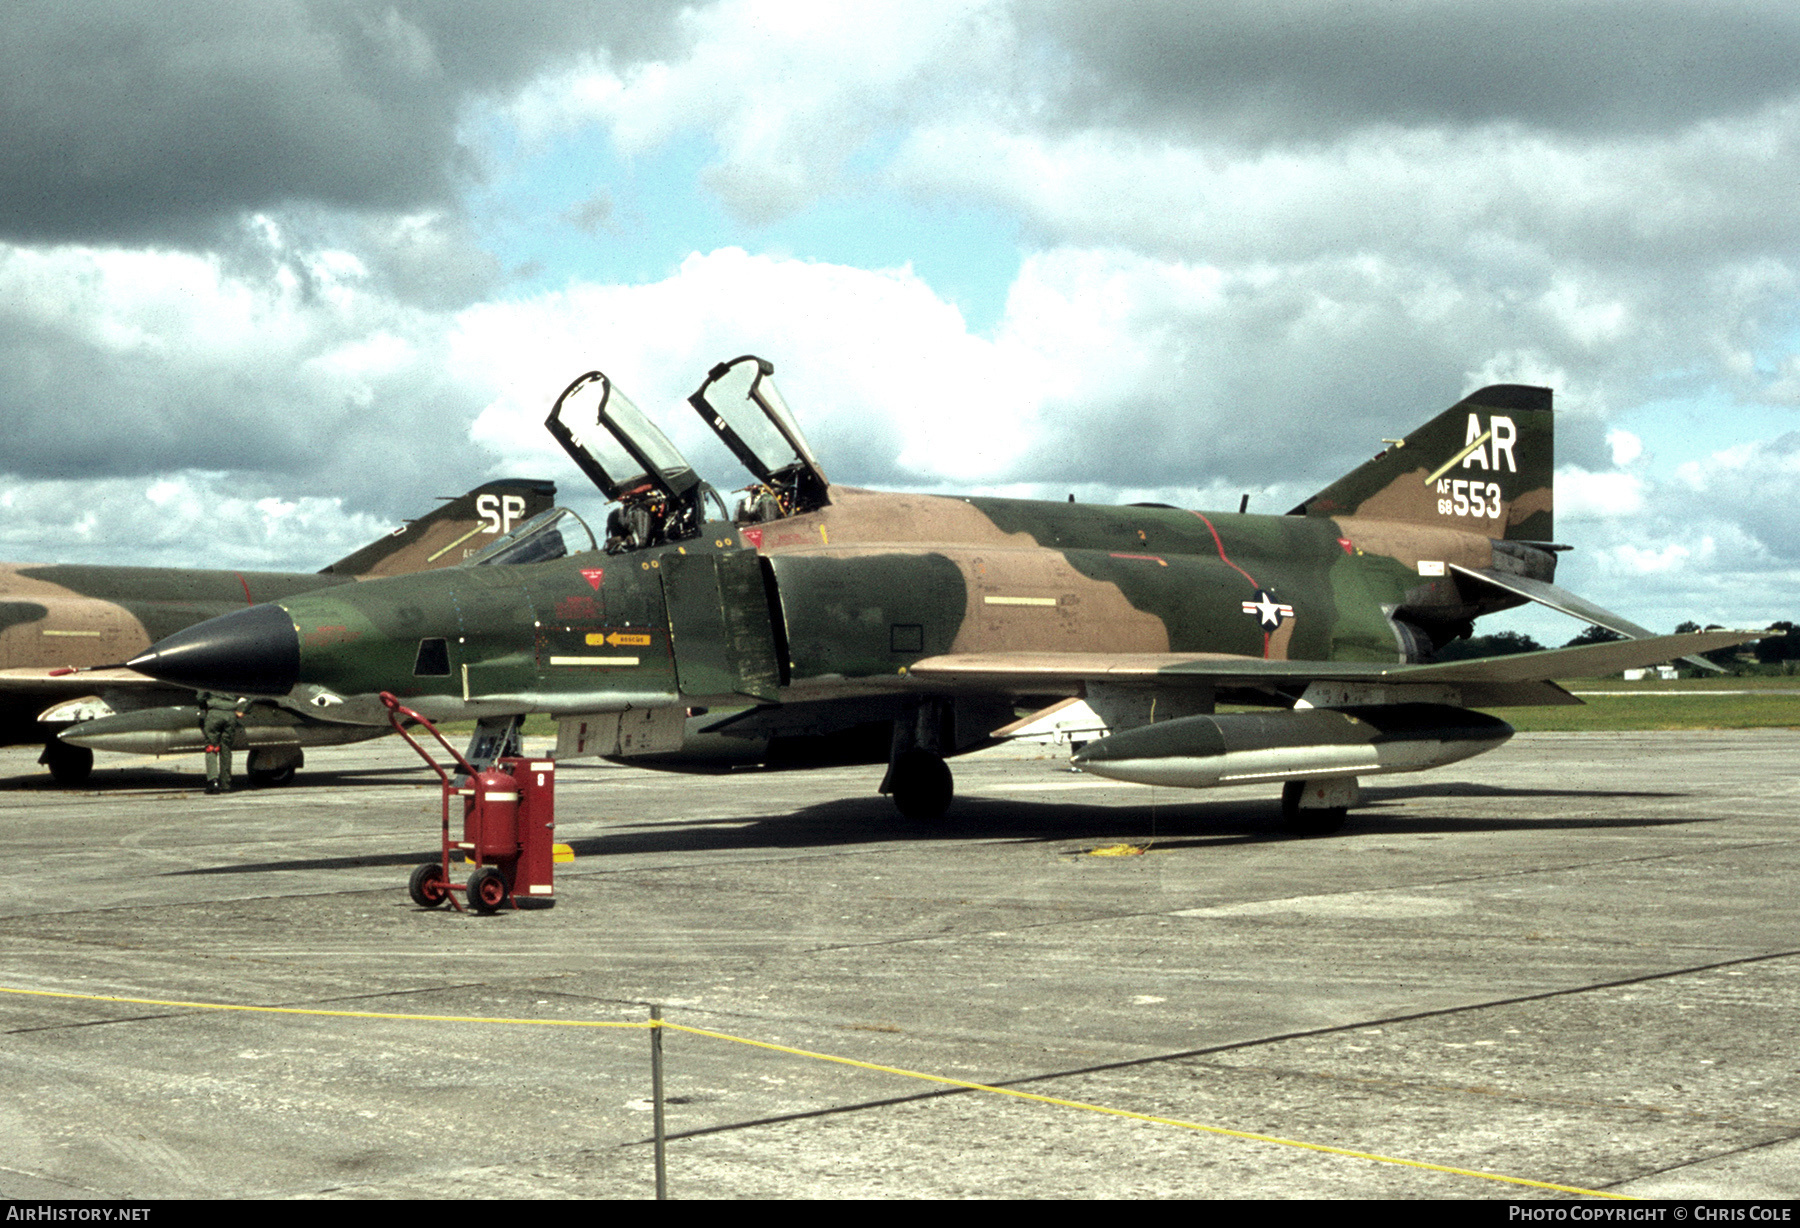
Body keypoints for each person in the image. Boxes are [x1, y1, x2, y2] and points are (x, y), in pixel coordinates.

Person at [197, 692, 248, 794]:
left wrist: (204, 707)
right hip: (230, 714)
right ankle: (226, 785)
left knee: (211, 747)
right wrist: (243, 710)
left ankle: (213, 782)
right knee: (226, 749)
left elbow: (200, 696)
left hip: (214, 713)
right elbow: (249, 696)